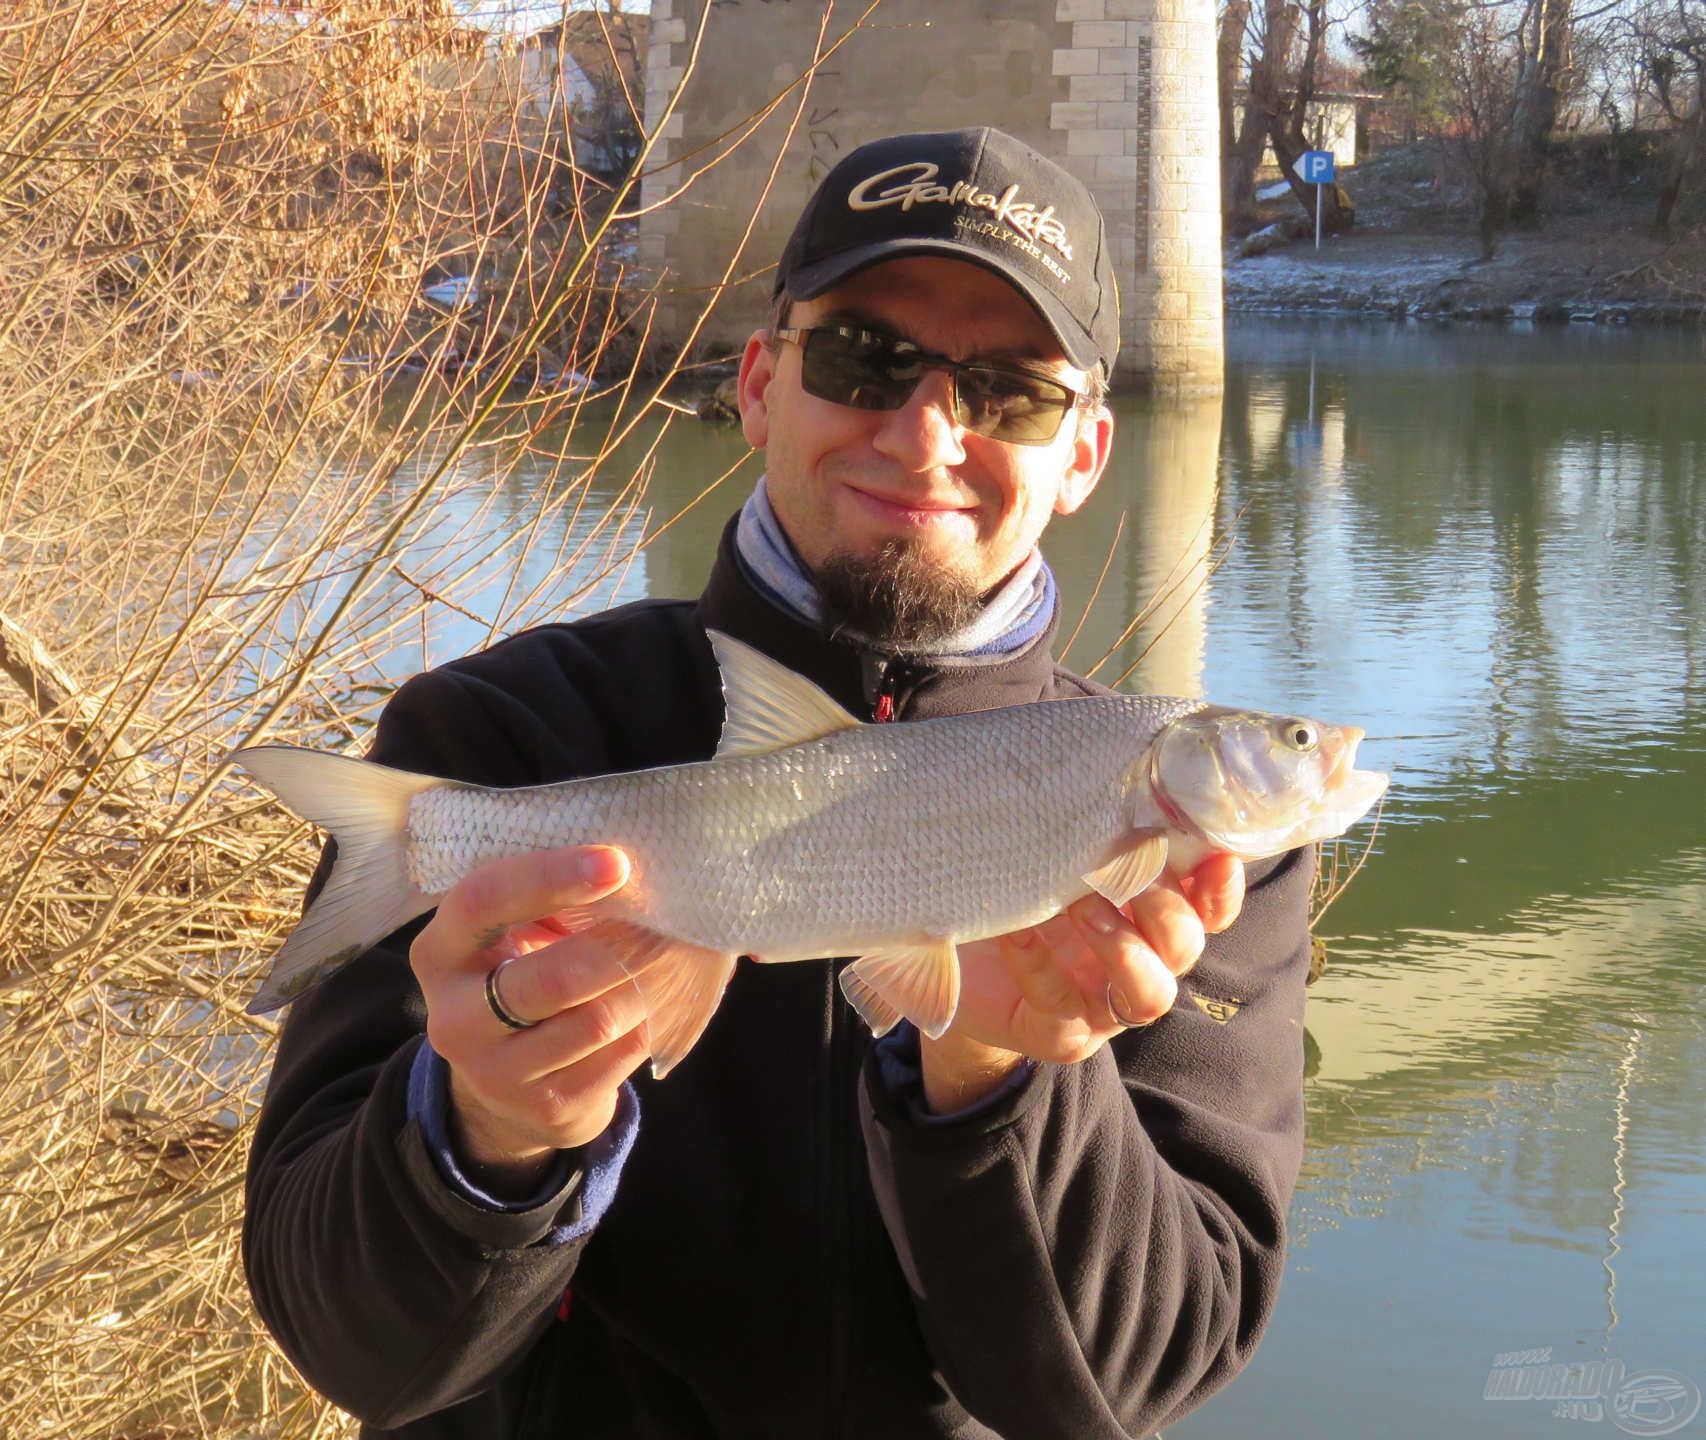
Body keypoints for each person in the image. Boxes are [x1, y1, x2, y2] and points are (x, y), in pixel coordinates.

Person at [244, 126, 1315, 1439]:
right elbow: (350, 1348)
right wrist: (492, 1134)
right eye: (864, 359)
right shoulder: (491, 736)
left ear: (1084, 454)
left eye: (1009, 393)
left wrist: (990, 1072)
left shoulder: (1217, 861)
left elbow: (1122, 1387)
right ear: (759, 384)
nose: (925, 435)